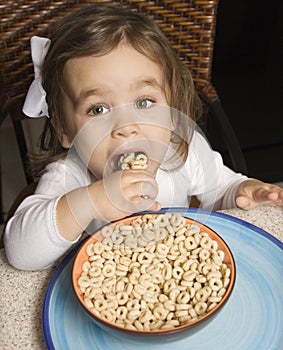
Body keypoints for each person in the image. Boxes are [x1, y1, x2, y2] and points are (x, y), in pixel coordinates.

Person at [3, 3, 283, 270]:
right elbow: (20, 253)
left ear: (173, 113)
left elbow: (221, 189)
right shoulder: (70, 176)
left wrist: (244, 192)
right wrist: (90, 201)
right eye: (98, 109)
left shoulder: (183, 152)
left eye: (144, 102)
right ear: (64, 130)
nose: (126, 126)